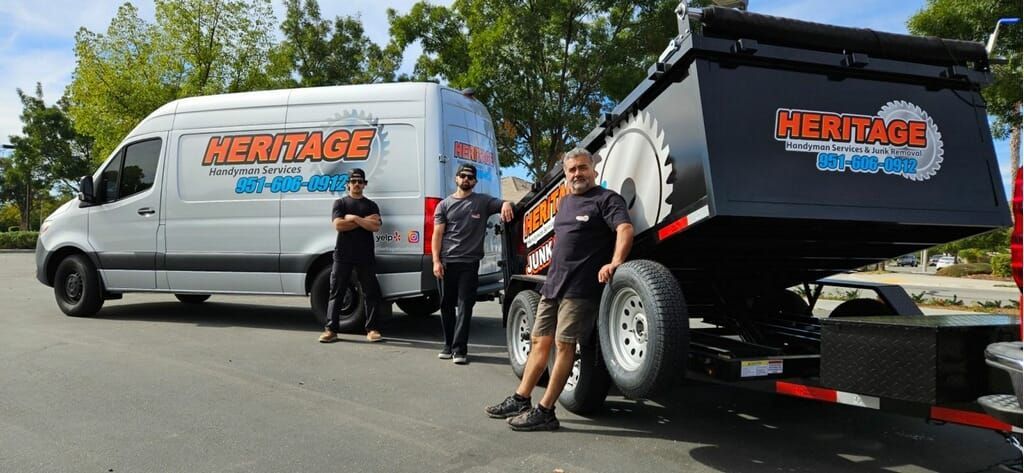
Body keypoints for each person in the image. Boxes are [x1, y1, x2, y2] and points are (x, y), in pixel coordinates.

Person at [485, 148, 633, 431]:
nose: (577, 174)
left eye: (582, 168)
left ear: (593, 170)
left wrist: (615, 262)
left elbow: (625, 229)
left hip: (581, 289)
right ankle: (520, 399)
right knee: (539, 342)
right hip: (553, 285)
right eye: (571, 170)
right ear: (565, 175)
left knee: (565, 346)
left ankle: (546, 411)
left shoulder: (607, 199)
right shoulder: (564, 202)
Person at [432, 163, 514, 364]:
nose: (466, 179)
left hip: (469, 264)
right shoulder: (444, 205)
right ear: (456, 179)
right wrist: (436, 261)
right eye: (463, 176)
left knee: (465, 306)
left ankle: (460, 350)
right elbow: (437, 234)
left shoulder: (483, 202)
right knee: (446, 305)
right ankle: (448, 345)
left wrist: (505, 204)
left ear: (475, 182)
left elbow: (504, 203)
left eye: (470, 177)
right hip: (447, 262)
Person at [319, 168, 385, 343]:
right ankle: (331, 330)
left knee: (371, 292)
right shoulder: (340, 203)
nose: (356, 184)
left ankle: (372, 329)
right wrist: (364, 221)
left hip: (365, 255)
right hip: (343, 255)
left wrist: (354, 218)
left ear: (365, 184)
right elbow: (339, 225)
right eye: (353, 181)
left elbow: (375, 226)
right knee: (336, 292)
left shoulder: (371, 205)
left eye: (360, 181)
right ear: (347, 184)